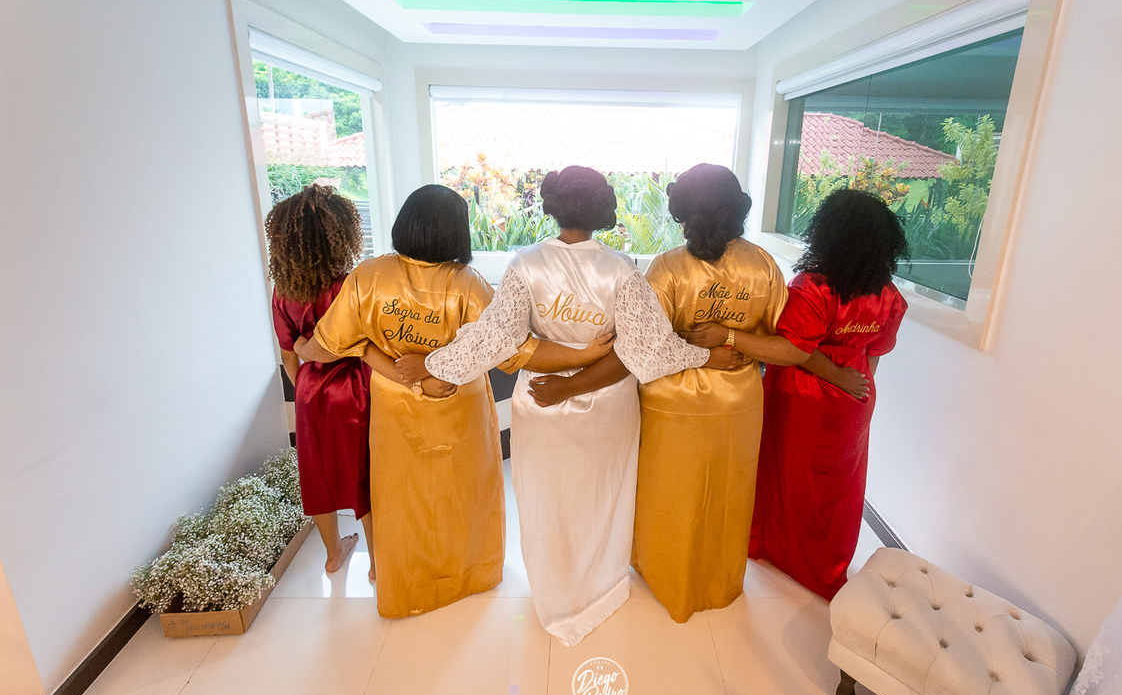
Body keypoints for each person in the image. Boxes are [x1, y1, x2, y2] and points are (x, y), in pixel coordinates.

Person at [396, 166, 741, 646]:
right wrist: (706, 355)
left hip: (540, 403)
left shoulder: (525, 263)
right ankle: (599, 586)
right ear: (602, 210)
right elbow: (647, 351)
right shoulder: (621, 268)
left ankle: (555, 593)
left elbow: (494, 337)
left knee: (545, 499)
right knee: (601, 494)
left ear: (553, 206)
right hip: (607, 406)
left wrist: (434, 364)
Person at [293, 185, 609, 618]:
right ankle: (469, 575)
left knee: (402, 496)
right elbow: (517, 350)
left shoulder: (368, 276)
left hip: (395, 409)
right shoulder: (468, 286)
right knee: (464, 492)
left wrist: (317, 350)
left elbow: (329, 344)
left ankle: (410, 585)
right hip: (459, 406)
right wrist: (582, 354)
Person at [629, 164, 868, 622]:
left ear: (683, 210)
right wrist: (734, 345)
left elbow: (644, 346)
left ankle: (668, 574)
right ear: (737, 209)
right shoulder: (763, 266)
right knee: (729, 493)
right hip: (739, 400)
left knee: (671, 490)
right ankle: (720, 580)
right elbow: (787, 344)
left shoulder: (667, 268)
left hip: (672, 402)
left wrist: (705, 352)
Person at [687, 187, 908, 601]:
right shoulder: (889, 295)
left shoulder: (814, 288)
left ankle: (778, 549)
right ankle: (826, 564)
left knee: (786, 474)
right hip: (856, 396)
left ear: (828, 233)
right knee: (839, 485)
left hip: (805, 395)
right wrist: (855, 388)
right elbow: (873, 353)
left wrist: (728, 335)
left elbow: (794, 349)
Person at [265, 185, 377, 578]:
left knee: (316, 472)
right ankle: (378, 564)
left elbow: (288, 354)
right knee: (363, 471)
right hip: (355, 386)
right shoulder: (351, 285)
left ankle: (333, 554)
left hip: (309, 390)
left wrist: (307, 389)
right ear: (339, 235)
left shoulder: (283, 292)